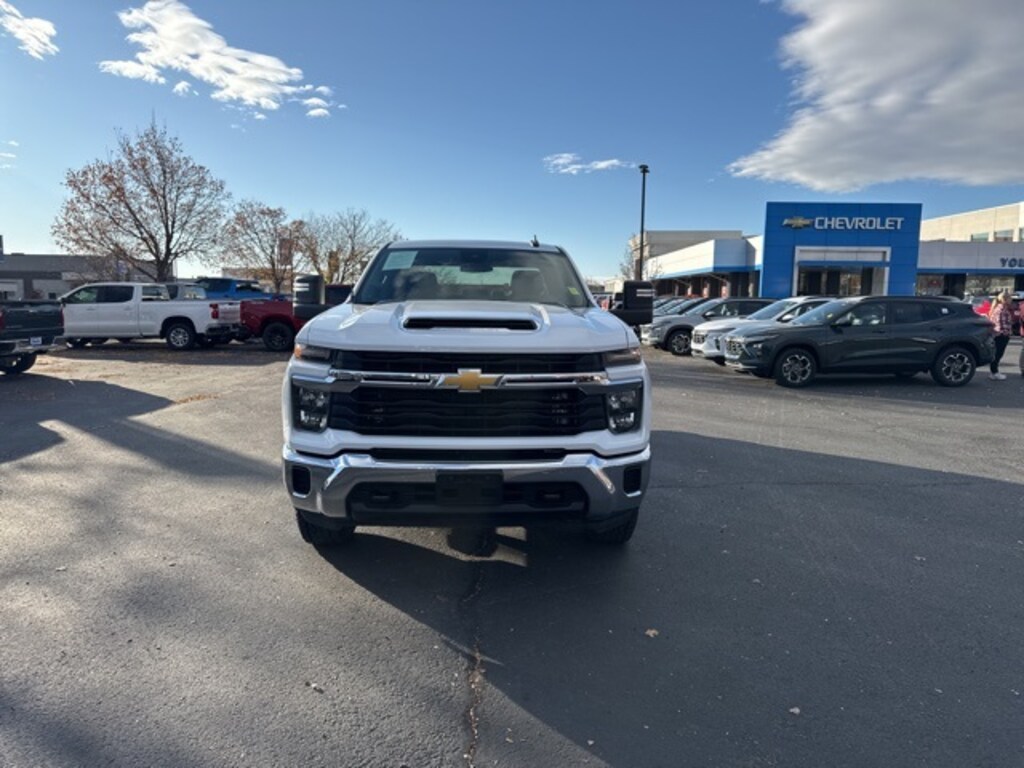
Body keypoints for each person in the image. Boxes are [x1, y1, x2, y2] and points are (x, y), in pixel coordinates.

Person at [986, 291, 1014, 381]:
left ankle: (993, 371)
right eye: (1010, 298)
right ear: (1004, 299)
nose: (1011, 300)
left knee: (997, 353)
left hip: (998, 334)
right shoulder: (1002, 310)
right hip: (1001, 335)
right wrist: (1006, 333)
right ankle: (994, 372)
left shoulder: (997, 308)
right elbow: (1001, 324)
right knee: (998, 354)